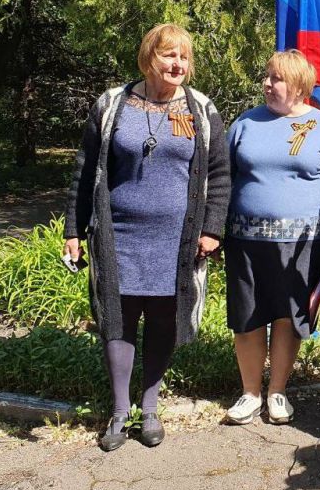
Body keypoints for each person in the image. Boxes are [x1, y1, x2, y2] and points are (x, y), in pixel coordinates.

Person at [64, 23, 231, 451]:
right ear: (148, 58)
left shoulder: (200, 109)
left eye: (184, 57)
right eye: (169, 55)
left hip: (177, 240)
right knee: (118, 318)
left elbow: (219, 174)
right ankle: (120, 411)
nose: (178, 64)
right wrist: (74, 229)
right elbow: (85, 171)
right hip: (118, 235)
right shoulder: (112, 104)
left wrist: (211, 228)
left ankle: (150, 407)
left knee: (163, 319)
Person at [222, 50, 320, 426]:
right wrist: (212, 230)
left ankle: (277, 391)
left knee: (287, 316)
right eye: (267, 76)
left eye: (275, 78)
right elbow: (222, 178)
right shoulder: (245, 123)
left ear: (298, 86)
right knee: (247, 316)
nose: (266, 83)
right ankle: (250, 393)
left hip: (302, 245)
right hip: (245, 242)